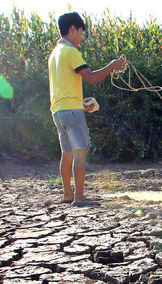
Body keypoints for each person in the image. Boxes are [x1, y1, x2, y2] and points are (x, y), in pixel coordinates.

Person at [48, 12, 125, 205]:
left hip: (58, 111)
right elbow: (90, 77)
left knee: (67, 154)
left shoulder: (54, 54)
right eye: (81, 32)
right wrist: (112, 66)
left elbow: (63, 86)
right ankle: (80, 197)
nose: (81, 37)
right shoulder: (70, 51)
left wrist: (80, 103)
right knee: (80, 152)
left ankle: (67, 194)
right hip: (72, 112)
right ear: (73, 29)